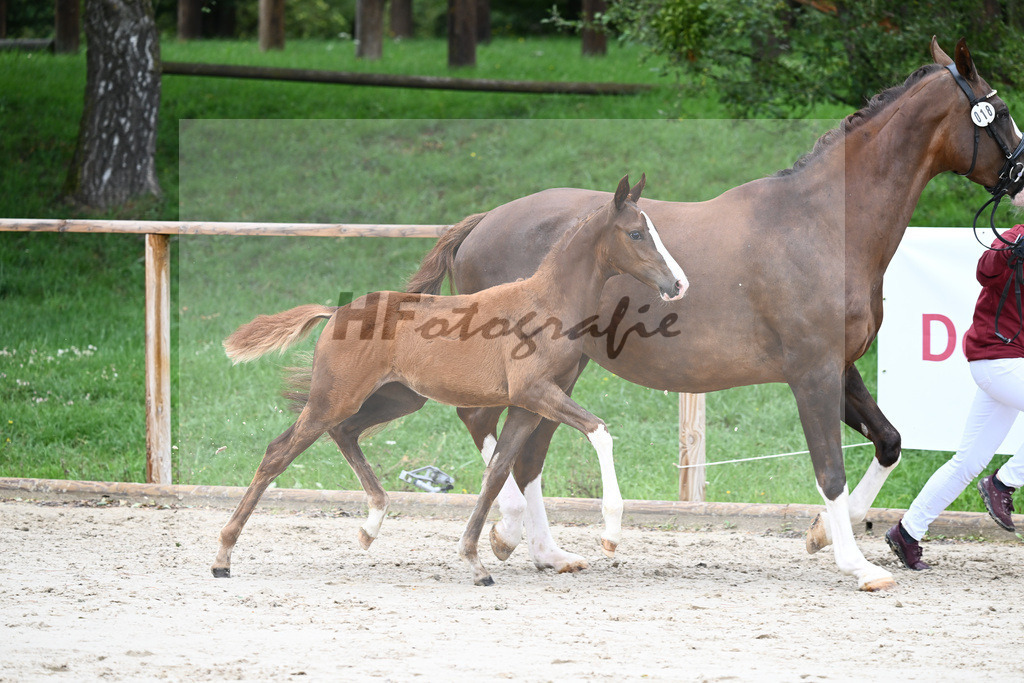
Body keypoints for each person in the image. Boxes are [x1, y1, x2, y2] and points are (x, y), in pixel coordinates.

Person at [886, 224, 1024, 570]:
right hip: (998, 360)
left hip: (1007, 363)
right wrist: (1012, 247)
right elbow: (985, 270)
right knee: (973, 465)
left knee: (967, 462)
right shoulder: (1014, 237)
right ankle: (1003, 483)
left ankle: (907, 531)